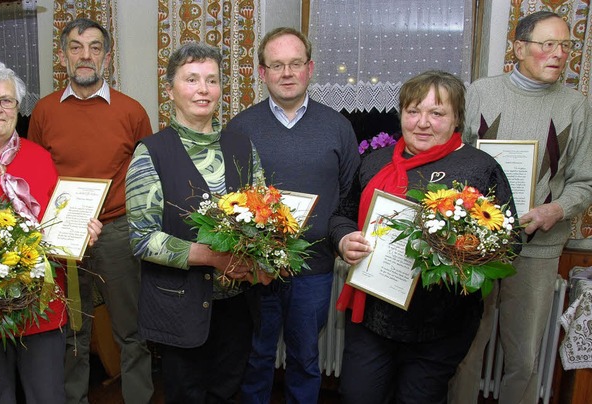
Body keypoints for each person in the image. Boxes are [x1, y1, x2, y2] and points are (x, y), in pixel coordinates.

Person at [329, 70, 517, 403]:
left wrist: (466, 251)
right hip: (372, 316)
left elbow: (511, 241)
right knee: (357, 395)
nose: (422, 122)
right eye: (413, 111)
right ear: (401, 114)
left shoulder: (479, 168)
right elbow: (342, 215)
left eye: (437, 113)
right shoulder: (375, 162)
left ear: (457, 117)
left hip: (440, 324)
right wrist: (345, 240)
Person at [449, 11, 592, 404]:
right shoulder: (480, 92)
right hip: (474, 246)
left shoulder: (576, 106)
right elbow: (454, 158)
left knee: (524, 359)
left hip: (537, 250)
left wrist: (556, 210)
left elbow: (585, 180)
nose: (559, 54)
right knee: (465, 351)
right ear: (519, 48)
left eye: (566, 45)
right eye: (548, 44)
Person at [0, 60, 101, 403]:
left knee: (47, 396)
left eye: (7, 100)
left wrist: (82, 231)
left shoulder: (39, 157)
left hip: (41, 308)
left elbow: (58, 224)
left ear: (18, 109)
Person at [126, 42, 267, 403]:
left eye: (212, 80)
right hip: (180, 308)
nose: (203, 89)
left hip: (236, 306)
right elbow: (142, 239)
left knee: (228, 391)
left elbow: (265, 216)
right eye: (191, 79)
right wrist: (213, 257)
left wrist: (258, 263)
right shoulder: (151, 152)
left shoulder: (242, 146)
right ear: (170, 90)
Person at [226, 27, 360, 403]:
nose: (287, 73)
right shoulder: (240, 128)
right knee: (257, 354)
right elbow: (230, 198)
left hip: (313, 269)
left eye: (295, 63)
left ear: (310, 68)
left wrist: (337, 243)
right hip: (256, 270)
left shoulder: (338, 127)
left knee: (305, 358)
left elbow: (349, 196)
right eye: (277, 64)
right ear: (262, 72)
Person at [27, 18, 154, 404]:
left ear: (107, 57)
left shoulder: (132, 112)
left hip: (116, 232)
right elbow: (34, 173)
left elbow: (147, 178)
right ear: (63, 55)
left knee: (131, 332)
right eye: (77, 47)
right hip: (62, 236)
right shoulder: (44, 112)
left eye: (95, 47)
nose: (86, 55)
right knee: (71, 329)